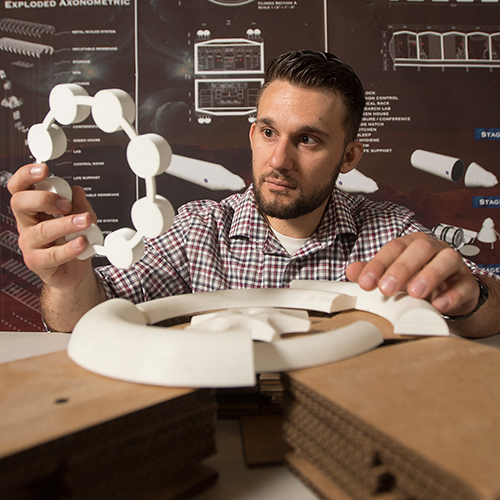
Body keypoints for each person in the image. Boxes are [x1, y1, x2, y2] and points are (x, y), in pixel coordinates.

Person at [8, 50, 500, 337]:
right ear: (251, 134)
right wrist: (69, 282)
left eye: (307, 139)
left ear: (349, 158)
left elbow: (487, 304)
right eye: (268, 132)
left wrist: (469, 298)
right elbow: (89, 317)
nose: (279, 160)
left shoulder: (389, 231)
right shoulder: (198, 229)